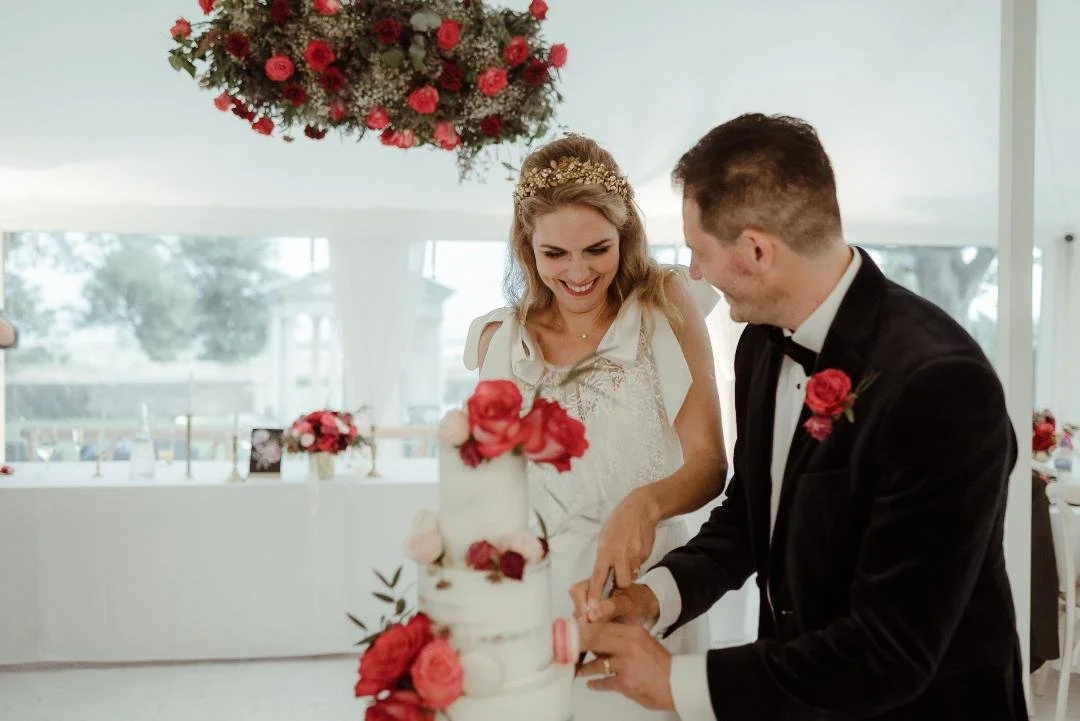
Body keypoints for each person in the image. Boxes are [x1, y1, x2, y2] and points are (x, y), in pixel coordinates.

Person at [575, 113, 1026, 720]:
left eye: (699, 252)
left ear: (757, 250)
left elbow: (891, 649)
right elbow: (749, 517)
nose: (696, 274)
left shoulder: (941, 383)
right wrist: (653, 598)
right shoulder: (759, 345)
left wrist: (675, 682)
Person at [463, 133, 728, 720]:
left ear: (625, 237)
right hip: (531, 596)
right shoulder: (500, 342)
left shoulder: (667, 307)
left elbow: (710, 463)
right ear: (526, 249)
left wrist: (646, 505)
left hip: (644, 588)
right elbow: (489, 492)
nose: (578, 273)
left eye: (597, 250)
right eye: (554, 254)